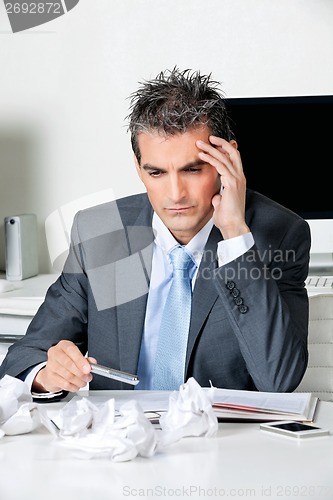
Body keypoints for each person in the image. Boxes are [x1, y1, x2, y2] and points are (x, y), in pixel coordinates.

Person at [0, 67, 311, 398]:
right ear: (138, 168)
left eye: (192, 169)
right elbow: (23, 358)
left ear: (227, 160)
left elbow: (279, 379)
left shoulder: (277, 234)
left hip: (219, 439)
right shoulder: (101, 231)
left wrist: (235, 234)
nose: (175, 193)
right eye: (156, 172)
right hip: (119, 436)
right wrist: (47, 374)